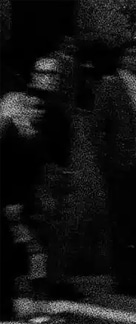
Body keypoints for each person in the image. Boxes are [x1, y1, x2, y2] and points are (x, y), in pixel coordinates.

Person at [93, 43, 136, 294]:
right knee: (121, 220)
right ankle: (123, 279)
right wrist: (107, 159)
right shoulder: (111, 84)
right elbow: (98, 125)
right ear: (121, 58)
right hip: (121, 162)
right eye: (131, 54)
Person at [27, 55, 79, 300]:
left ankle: (57, 280)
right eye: (45, 74)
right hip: (40, 175)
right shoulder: (32, 105)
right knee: (40, 235)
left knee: (60, 232)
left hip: (59, 172)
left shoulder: (58, 106)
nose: (50, 79)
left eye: (54, 75)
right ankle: (41, 285)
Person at [1, 92, 49, 319]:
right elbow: (11, 172)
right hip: (12, 203)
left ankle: (24, 303)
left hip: (21, 202)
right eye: (28, 107)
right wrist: (12, 202)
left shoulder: (29, 135)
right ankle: (21, 303)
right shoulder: (9, 133)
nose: (34, 112)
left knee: (26, 253)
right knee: (26, 252)